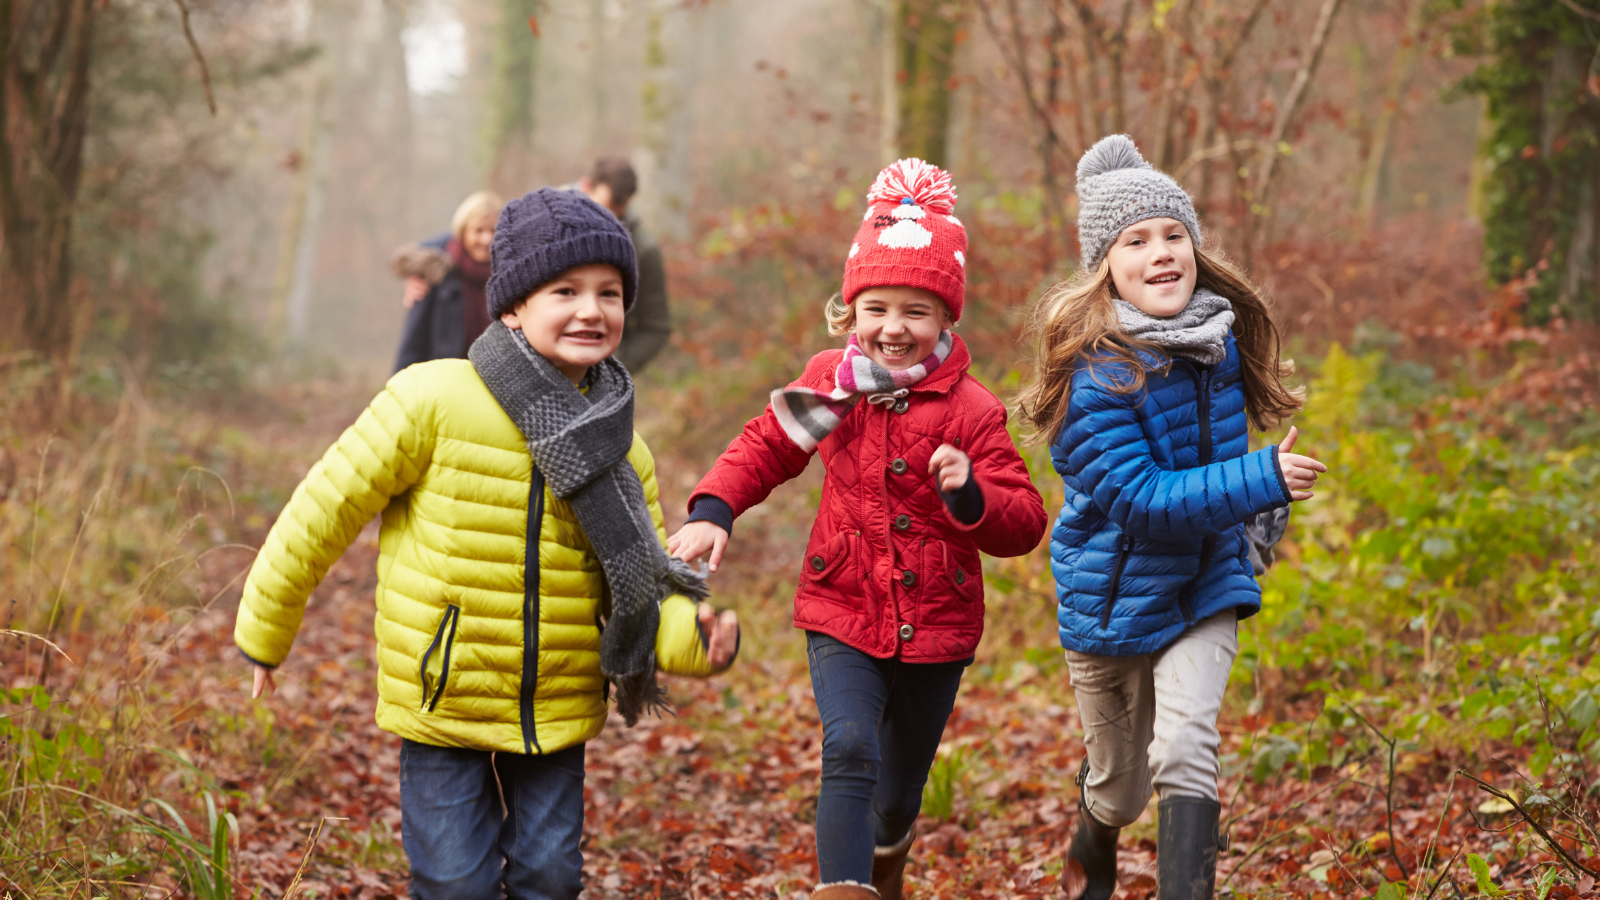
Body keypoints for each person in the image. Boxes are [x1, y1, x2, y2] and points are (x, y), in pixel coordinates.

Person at [236, 187, 740, 900]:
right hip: (447, 696)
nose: (592, 310)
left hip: (558, 701)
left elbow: (648, 584)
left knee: (550, 877)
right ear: (511, 306)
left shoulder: (624, 448)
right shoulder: (432, 400)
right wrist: (266, 629)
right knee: (455, 884)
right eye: (565, 290)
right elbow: (323, 511)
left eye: (609, 293)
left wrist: (700, 637)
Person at [667, 159, 1048, 900]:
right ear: (851, 313)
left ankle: (887, 859)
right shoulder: (832, 382)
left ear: (945, 319)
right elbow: (767, 444)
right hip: (843, 603)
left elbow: (1024, 520)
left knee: (900, 793)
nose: (894, 328)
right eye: (876, 308)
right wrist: (714, 509)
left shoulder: (971, 408)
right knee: (847, 748)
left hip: (937, 620)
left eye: (916, 310)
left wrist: (969, 497)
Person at [1016, 135, 1326, 900]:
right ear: (1106, 268)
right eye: (1136, 241)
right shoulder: (1095, 378)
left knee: (1185, 745)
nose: (1161, 253)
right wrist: (1262, 478)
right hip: (1115, 602)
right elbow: (1144, 502)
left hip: (1206, 582)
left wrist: (1255, 517)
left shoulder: (1214, 343)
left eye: (1173, 235)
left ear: (1195, 248)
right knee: (1121, 789)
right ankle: (1095, 838)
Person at [399, 158, 671, 373]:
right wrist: (427, 263)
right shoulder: (545, 212)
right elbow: (492, 233)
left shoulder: (642, 247)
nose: (606, 219)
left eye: (609, 293)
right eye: (566, 291)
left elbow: (655, 324)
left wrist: (611, 361)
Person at [393, 190, 502, 372]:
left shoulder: (511, 275)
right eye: (478, 230)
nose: (487, 239)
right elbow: (414, 339)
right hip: (441, 382)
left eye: (494, 230)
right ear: (462, 231)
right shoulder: (436, 273)